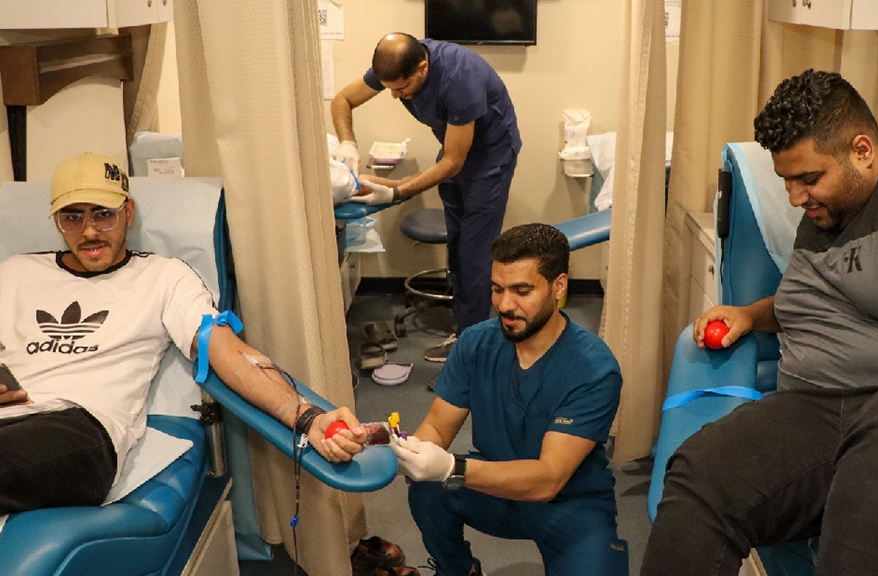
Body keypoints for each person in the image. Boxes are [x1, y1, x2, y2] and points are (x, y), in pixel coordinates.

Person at [641, 69, 878, 576]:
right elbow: (821, 299)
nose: (795, 197)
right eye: (786, 181)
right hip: (828, 410)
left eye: (808, 178)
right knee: (702, 472)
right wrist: (752, 315)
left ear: (862, 150)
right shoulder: (828, 212)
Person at [0, 152, 410, 576]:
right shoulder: (14, 273)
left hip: (79, 427)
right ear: (56, 221)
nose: (89, 231)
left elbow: (227, 351)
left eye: (103, 214)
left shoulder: (164, 278)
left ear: (128, 212)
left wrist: (306, 417)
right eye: (72, 217)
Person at [390, 224, 629, 576]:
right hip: (497, 485)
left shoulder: (593, 369)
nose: (504, 305)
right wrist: (403, 450)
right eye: (497, 289)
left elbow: (548, 478)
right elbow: (437, 427)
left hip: (570, 502)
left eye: (521, 291)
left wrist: (452, 468)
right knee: (427, 489)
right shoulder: (475, 343)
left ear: (559, 286)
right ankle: (459, 570)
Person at [332, 32, 521, 362]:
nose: (396, 96)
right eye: (390, 88)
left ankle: (472, 354)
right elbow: (342, 100)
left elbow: (454, 162)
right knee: (457, 248)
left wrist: (397, 191)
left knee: (475, 256)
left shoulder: (460, 77)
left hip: (490, 158)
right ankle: (465, 333)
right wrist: (348, 143)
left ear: (423, 68)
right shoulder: (397, 62)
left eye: (402, 88)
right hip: (453, 149)